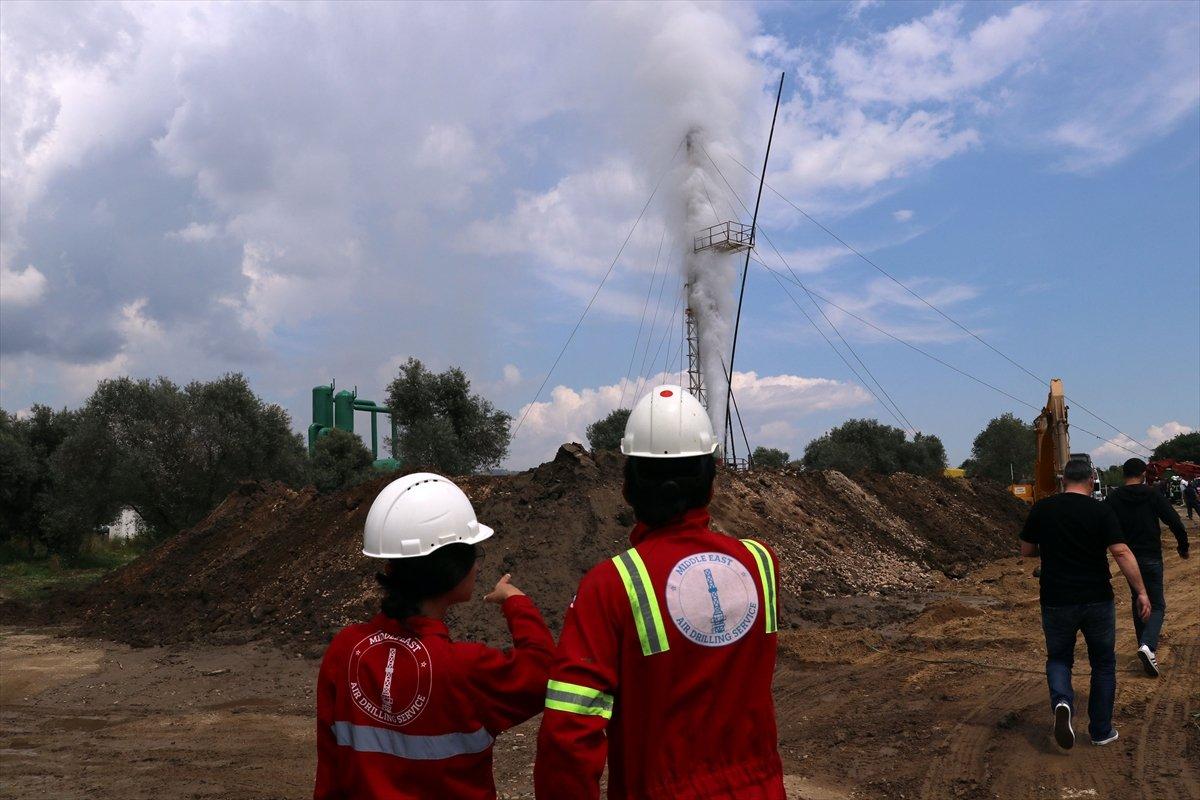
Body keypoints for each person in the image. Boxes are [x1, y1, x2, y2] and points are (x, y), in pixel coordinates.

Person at [534, 385, 785, 799]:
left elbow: (569, 733)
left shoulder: (610, 585)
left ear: (629, 486)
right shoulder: (761, 564)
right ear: (710, 481)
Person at [314, 472, 554, 800]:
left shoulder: (345, 649)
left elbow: (329, 768)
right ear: (453, 570)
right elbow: (543, 672)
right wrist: (516, 601)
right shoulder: (465, 669)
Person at [1020, 457, 1150, 750]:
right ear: (1091, 481)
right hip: (1097, 600)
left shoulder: (1042, 509)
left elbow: (1027, 550)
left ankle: (1062, 702)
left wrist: (1053, 545)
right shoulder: (1101, 510)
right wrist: (1141, 591)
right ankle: (1101, 730)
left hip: (1056, 599)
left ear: (1062, 480)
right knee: (1103, 664)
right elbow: (1121, 552)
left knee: (1058, 658)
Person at [1104, 458, 1190, 677]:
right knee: (1158, 605)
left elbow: (1101, 523)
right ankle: (1148, 645)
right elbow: (1174, 521)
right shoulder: (1152, 494)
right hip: (1151, 556)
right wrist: (1183, 546)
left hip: (1127, 559)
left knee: (1138, 599)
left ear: (1124, 474)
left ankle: (1144, 647)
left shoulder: (1113, 498)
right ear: (1143, 473)